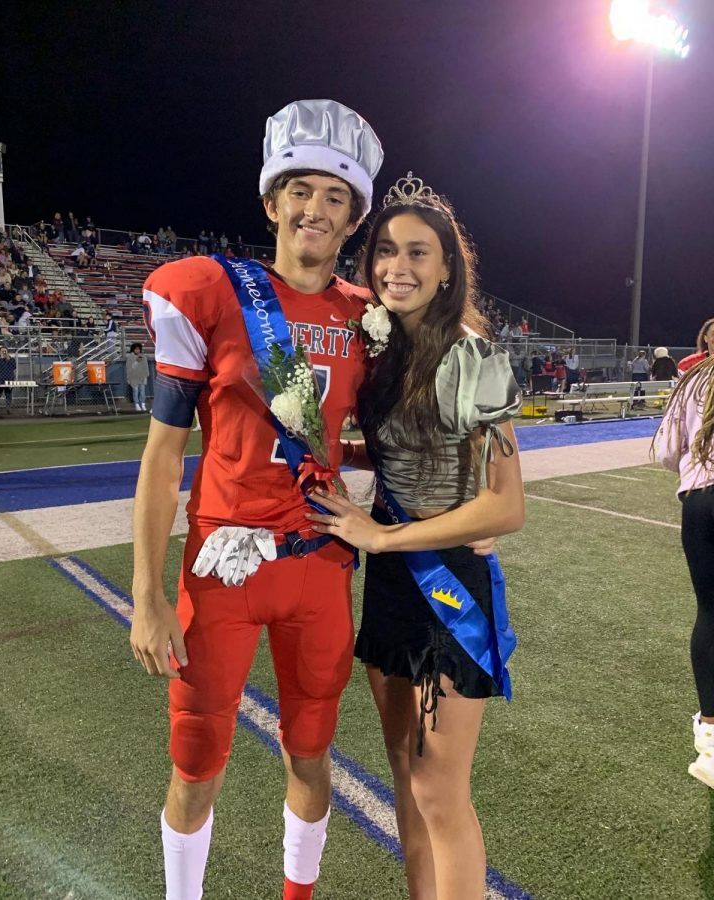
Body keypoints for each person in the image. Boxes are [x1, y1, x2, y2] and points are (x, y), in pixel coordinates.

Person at [129, 99, 383, 900]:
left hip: (319, 564)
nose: (317, 208)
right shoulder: (210, 289)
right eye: (302, 190)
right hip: (225, 564)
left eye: (336, 197)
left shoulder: (364, 316)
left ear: (353, 220)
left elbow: (378, 437)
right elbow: (162, 455)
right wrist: (145, 591)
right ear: (272, 202)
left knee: (312, 752)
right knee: (197, 761)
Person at [305, 175, 525, 900]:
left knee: (438, 789)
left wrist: (384, 536)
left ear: (446, 268)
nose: (398, 266)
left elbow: (505, 507)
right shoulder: (384, 349)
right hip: (393, 585)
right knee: (402, 768)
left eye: (418, 253)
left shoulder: (474, 358)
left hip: (450, 582)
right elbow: (408, 449)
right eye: (386, 252)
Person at [654, 354, 714, 789]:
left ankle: (711, 736)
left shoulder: (696, 378)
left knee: (711, 611)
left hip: (702, 499)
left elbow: (664, 451)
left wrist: (695, 467)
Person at [126, 342, 149, 411]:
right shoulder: (130, 357)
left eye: (138, 349)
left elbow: (146, 366)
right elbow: (129, 368)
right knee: (135, 391)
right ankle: (136, 404)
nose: (137, 350)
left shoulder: (143, 356)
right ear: (133, 349)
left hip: (142, 377)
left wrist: (146, 375)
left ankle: (143, 404)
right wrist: (136, 362)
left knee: (142, 391)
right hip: (134, 377)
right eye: (136, 349)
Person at [0, 346, 16, 414]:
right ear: (0, 352)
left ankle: (8, 409)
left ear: (7, 351)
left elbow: (14, 367)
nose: (4, 352)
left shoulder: (12, 359)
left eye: (5, 351)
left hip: (9, 380)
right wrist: (1, 358)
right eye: (2, 351)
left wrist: (8, 359)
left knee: (8, 395)